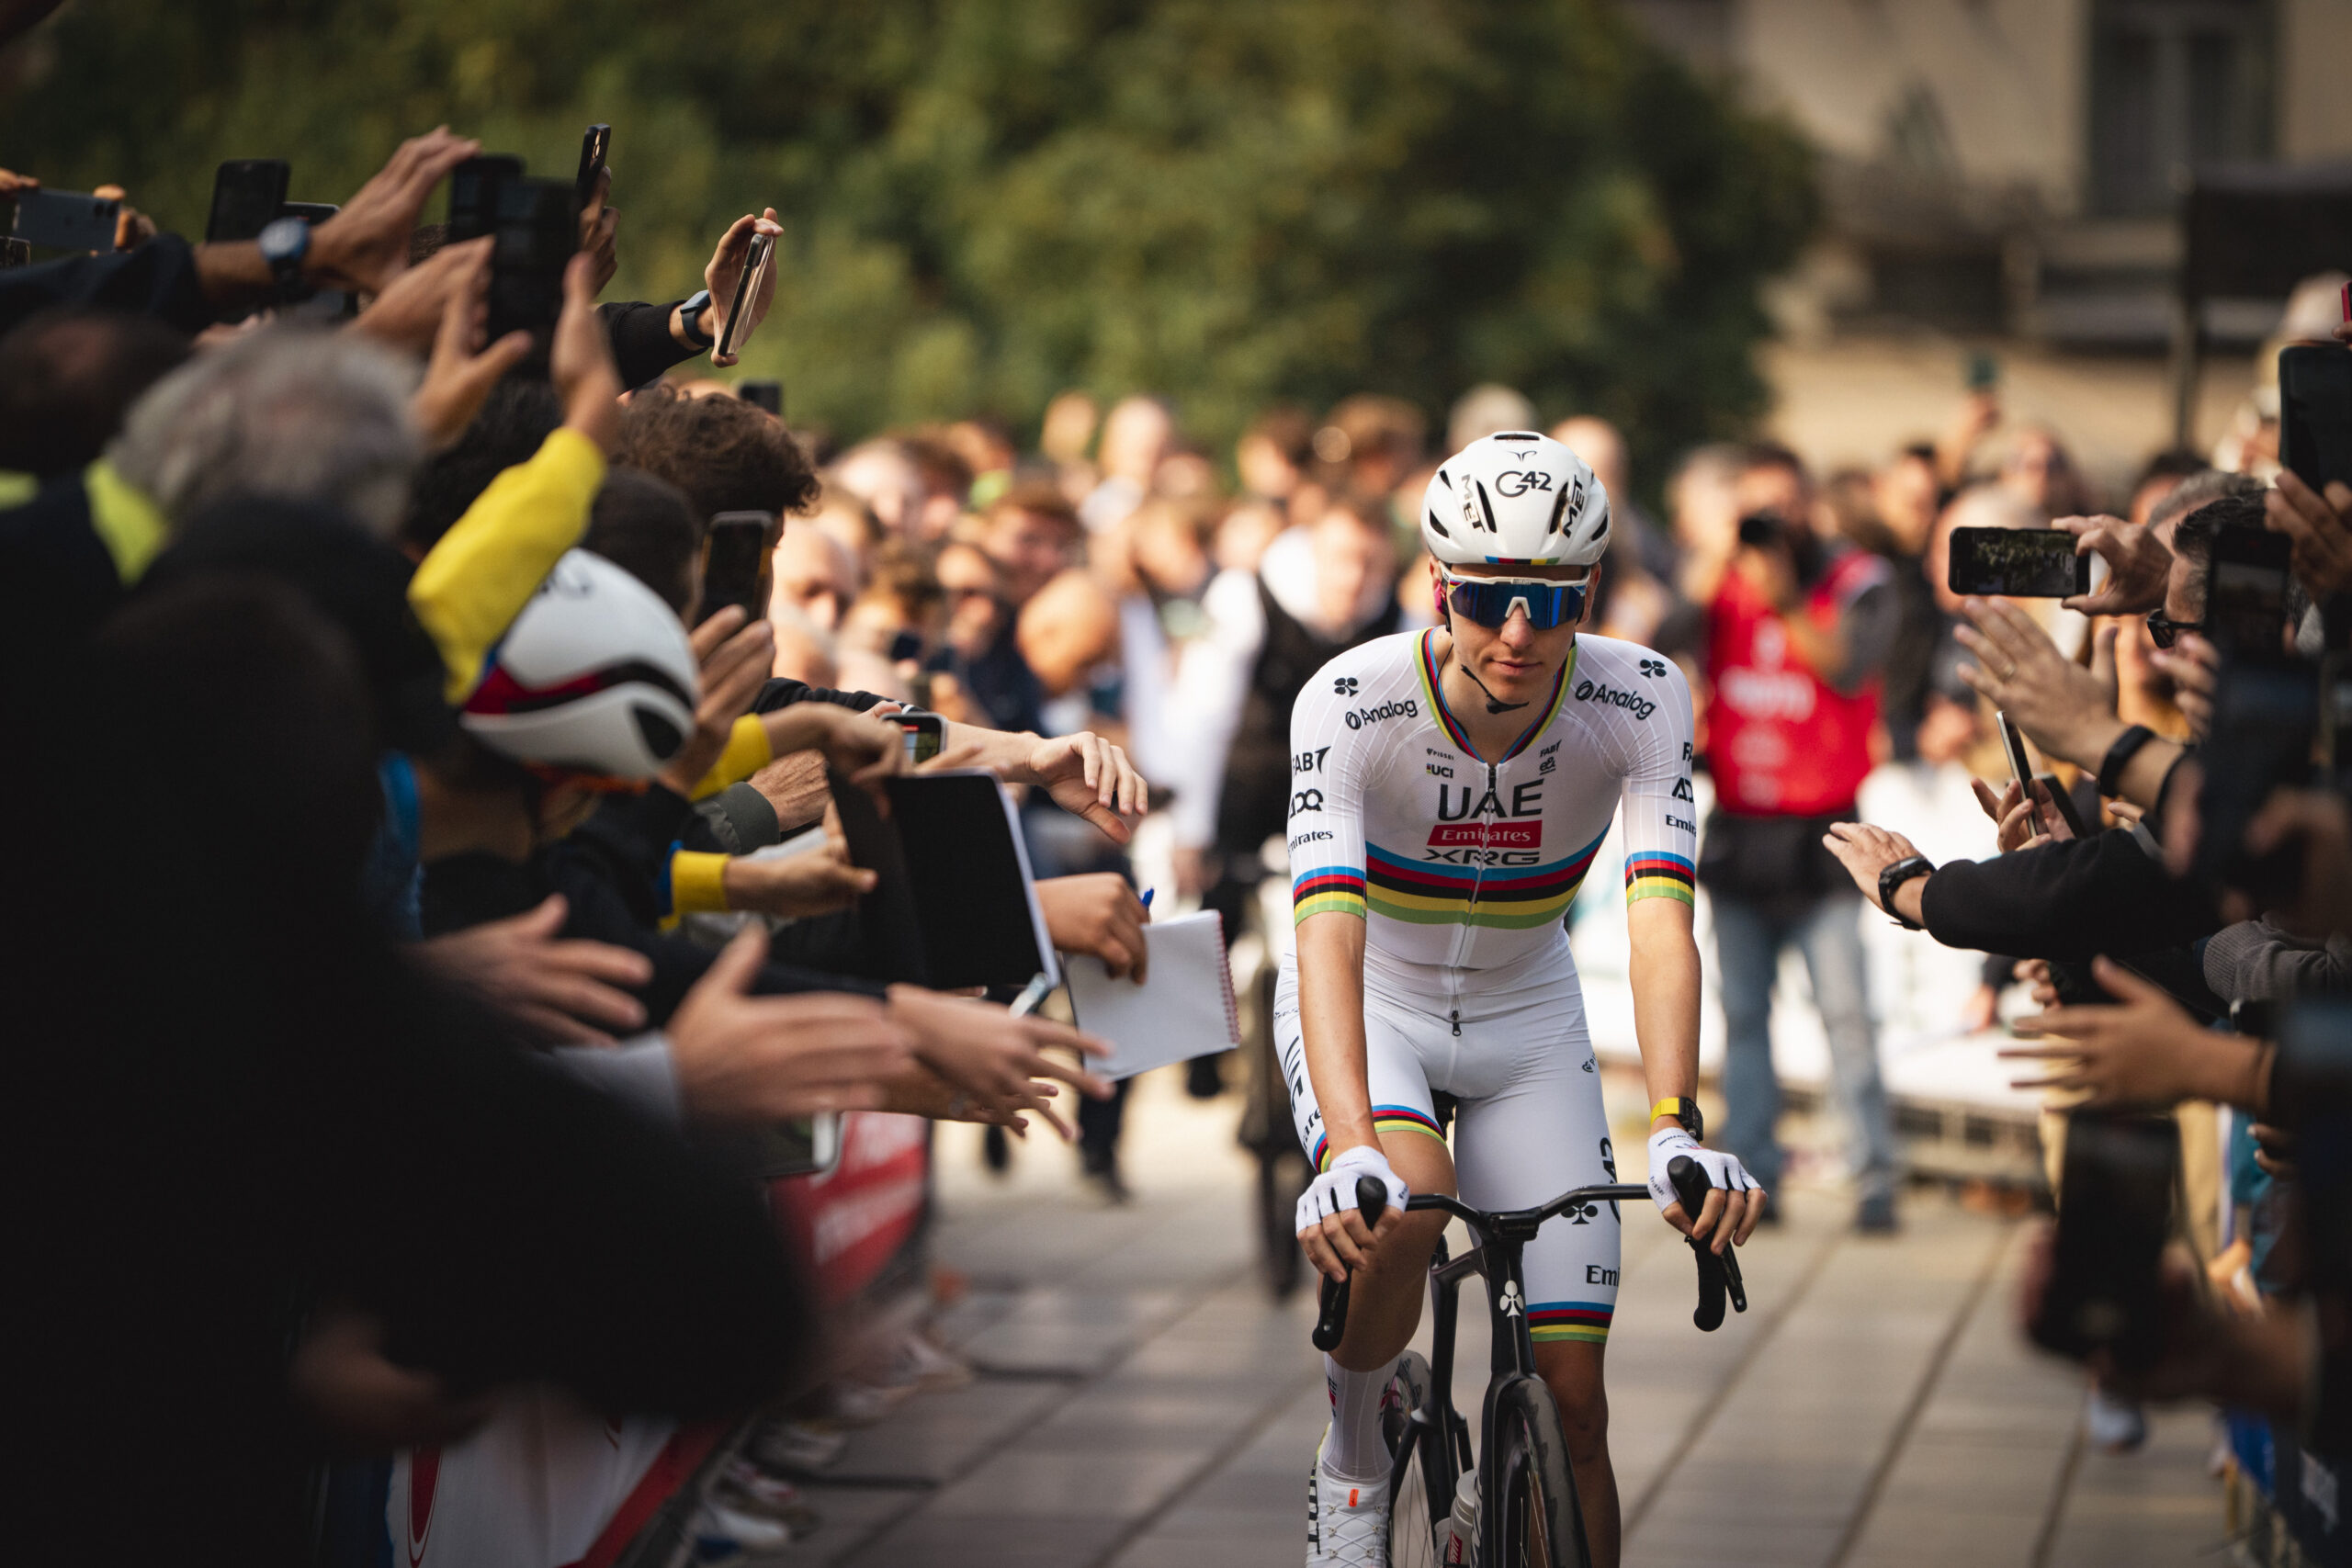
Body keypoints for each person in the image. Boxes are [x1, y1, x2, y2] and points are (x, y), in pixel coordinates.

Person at [1285, 431, 1760, 1568]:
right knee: (1407, 1198)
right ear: (1437, 585)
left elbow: (1659, 921)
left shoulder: (1638, 696)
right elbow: (1328, 933)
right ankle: (1353, 1459)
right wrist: (1349, 1143)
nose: (1517, 633)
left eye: (1549, 605)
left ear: (1588, 594)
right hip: (1381, 1002)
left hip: (1529, 1014)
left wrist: (1678, 1125)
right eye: (1488, 598)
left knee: (1578, 1401)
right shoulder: (1350, 701)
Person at [1696, 444, 1904, 1235]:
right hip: (1743, 827)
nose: (1769, 525)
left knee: (1846, 1017)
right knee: (1744, 1018)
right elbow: (1666, 629)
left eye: (1782, 506)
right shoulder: (1722, 578)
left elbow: (1846, 668)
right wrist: (1716, 560)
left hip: (1827, 832)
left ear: (1810, 504)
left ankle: (1874, 1174)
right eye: (1755, 509)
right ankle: (1754, 1175)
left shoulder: (1856, 581)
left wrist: (1782, 600)